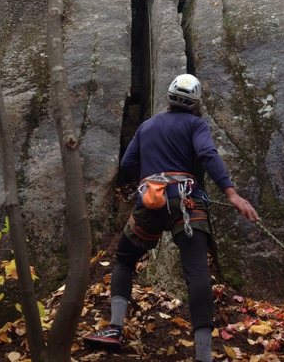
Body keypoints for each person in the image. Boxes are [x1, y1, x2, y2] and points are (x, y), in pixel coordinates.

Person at [83, 74, 259, 362]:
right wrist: (231, 193)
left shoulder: (147, 126)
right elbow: (207, 153)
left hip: (151, 201)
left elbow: (127, 164)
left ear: (169, 97)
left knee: (125, 258)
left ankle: (114, 328)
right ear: (196, 102)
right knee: (197, 271)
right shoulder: (196, 124)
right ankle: (204, 356)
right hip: (187, 201)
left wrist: (150, 178)